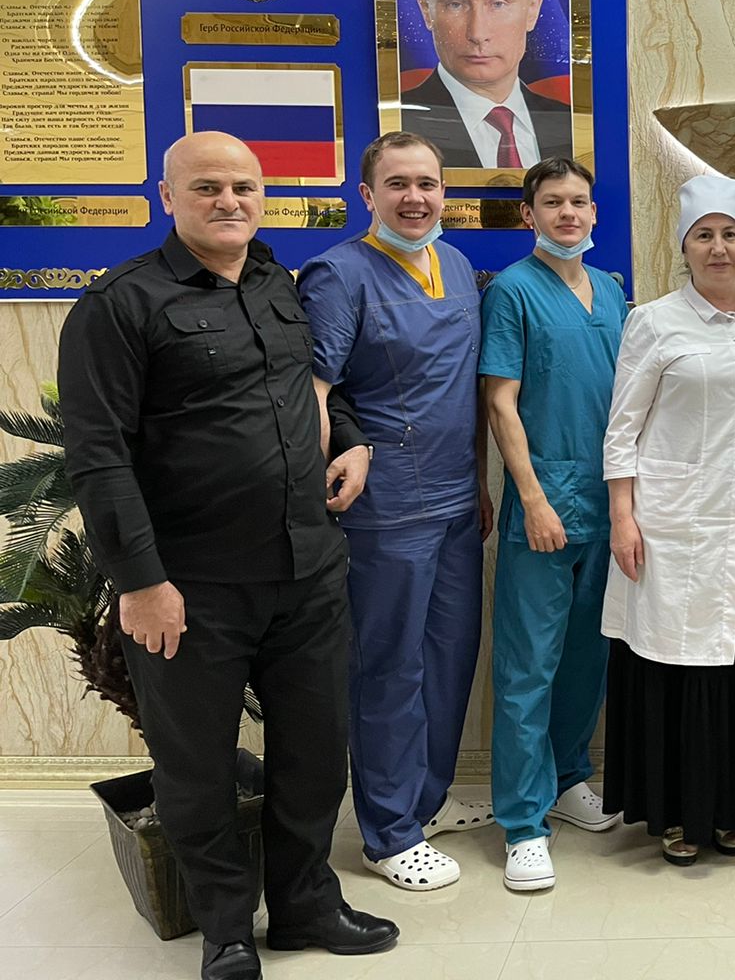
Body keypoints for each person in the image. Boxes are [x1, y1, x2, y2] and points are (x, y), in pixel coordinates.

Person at [58, 132, 397, 980]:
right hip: (191, 585)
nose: (229, 201)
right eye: (207, 186)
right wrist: (140, 583)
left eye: (244, 186)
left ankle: (305, 906)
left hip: (307, 571)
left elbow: (307, 388)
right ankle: (226, 929)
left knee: (314, 753)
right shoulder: (119, 305)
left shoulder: (277, 283)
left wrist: (351, 438)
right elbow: (98, 457)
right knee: (197, 766)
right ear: (166, 196)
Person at [297, 131, 495, 891]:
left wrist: (479, 483)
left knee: (450, 656)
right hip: (385, 507)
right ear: (367, 195)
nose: (415, 198)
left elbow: (464, 391)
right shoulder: (339, 275)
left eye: (428, 183)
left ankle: (426, 800)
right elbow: (315, 393)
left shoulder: (457, 266)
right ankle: (388, 830)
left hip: (455, 496)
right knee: (389, 665)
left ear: (445, 192)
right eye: (398, 184)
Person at [600, 174, 735, 865]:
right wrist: (622, 517)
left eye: (730, 234)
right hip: (671, 525)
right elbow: (622, 429)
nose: (718, 247)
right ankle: (677, 814)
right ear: (684, 247)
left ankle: (734, 809)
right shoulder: (653, 321)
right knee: (674, 663)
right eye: (703, 235)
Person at [480, 155, 627, 892]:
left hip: (609, 503)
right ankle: (523, 823)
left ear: (594, 213)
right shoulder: (512, 290)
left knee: (586, 658)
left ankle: (569, 779)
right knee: (528, 666)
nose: (568, 213)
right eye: (552, 202)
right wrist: (533, 499)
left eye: (578, 202)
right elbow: (499, 402)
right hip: (545, 503)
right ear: (528, 214)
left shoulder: (612, 290)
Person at [402, 0, 573, 169]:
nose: (478, 33)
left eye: (498, 4)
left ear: (533, 8)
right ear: (425, 9)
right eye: (456, 4)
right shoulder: (398, 128)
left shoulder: (570, 126)